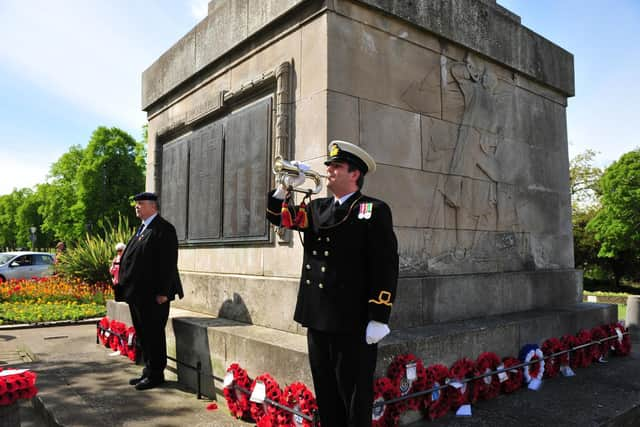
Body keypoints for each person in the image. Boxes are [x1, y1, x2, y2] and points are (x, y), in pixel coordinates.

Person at [266, 140, 399, 426]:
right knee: (326, 391)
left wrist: (379, 316)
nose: (329, 170)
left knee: (353, 393)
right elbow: (277, 217)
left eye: (336, 166)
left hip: (352, 320)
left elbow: (385, 266)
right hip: (317, 316)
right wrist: (285, 188)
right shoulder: (317, 208)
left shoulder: (373, 210)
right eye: (329, 165)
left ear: (355, 174)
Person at [118, 192, 183, 390]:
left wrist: (163, 292)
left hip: (155, 295)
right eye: (136, 204)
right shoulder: (143, 228)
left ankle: (156, 374)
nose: (137, 207)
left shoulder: (163, 229)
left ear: (153, 206)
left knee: (154, 334)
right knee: (144, 333)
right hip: (138, 294)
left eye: (141, 203)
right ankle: (148, 370)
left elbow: (168, 263)